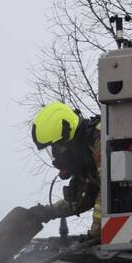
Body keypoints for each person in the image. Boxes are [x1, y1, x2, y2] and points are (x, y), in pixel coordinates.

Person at [30, 101, 101, 237]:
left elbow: (108, 190)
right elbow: (84, 199)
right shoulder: (83, 151)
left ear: (68, 133)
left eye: (57, 147)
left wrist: (95, 232)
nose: (56, 155)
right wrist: (46, 212)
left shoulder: (99, 140)